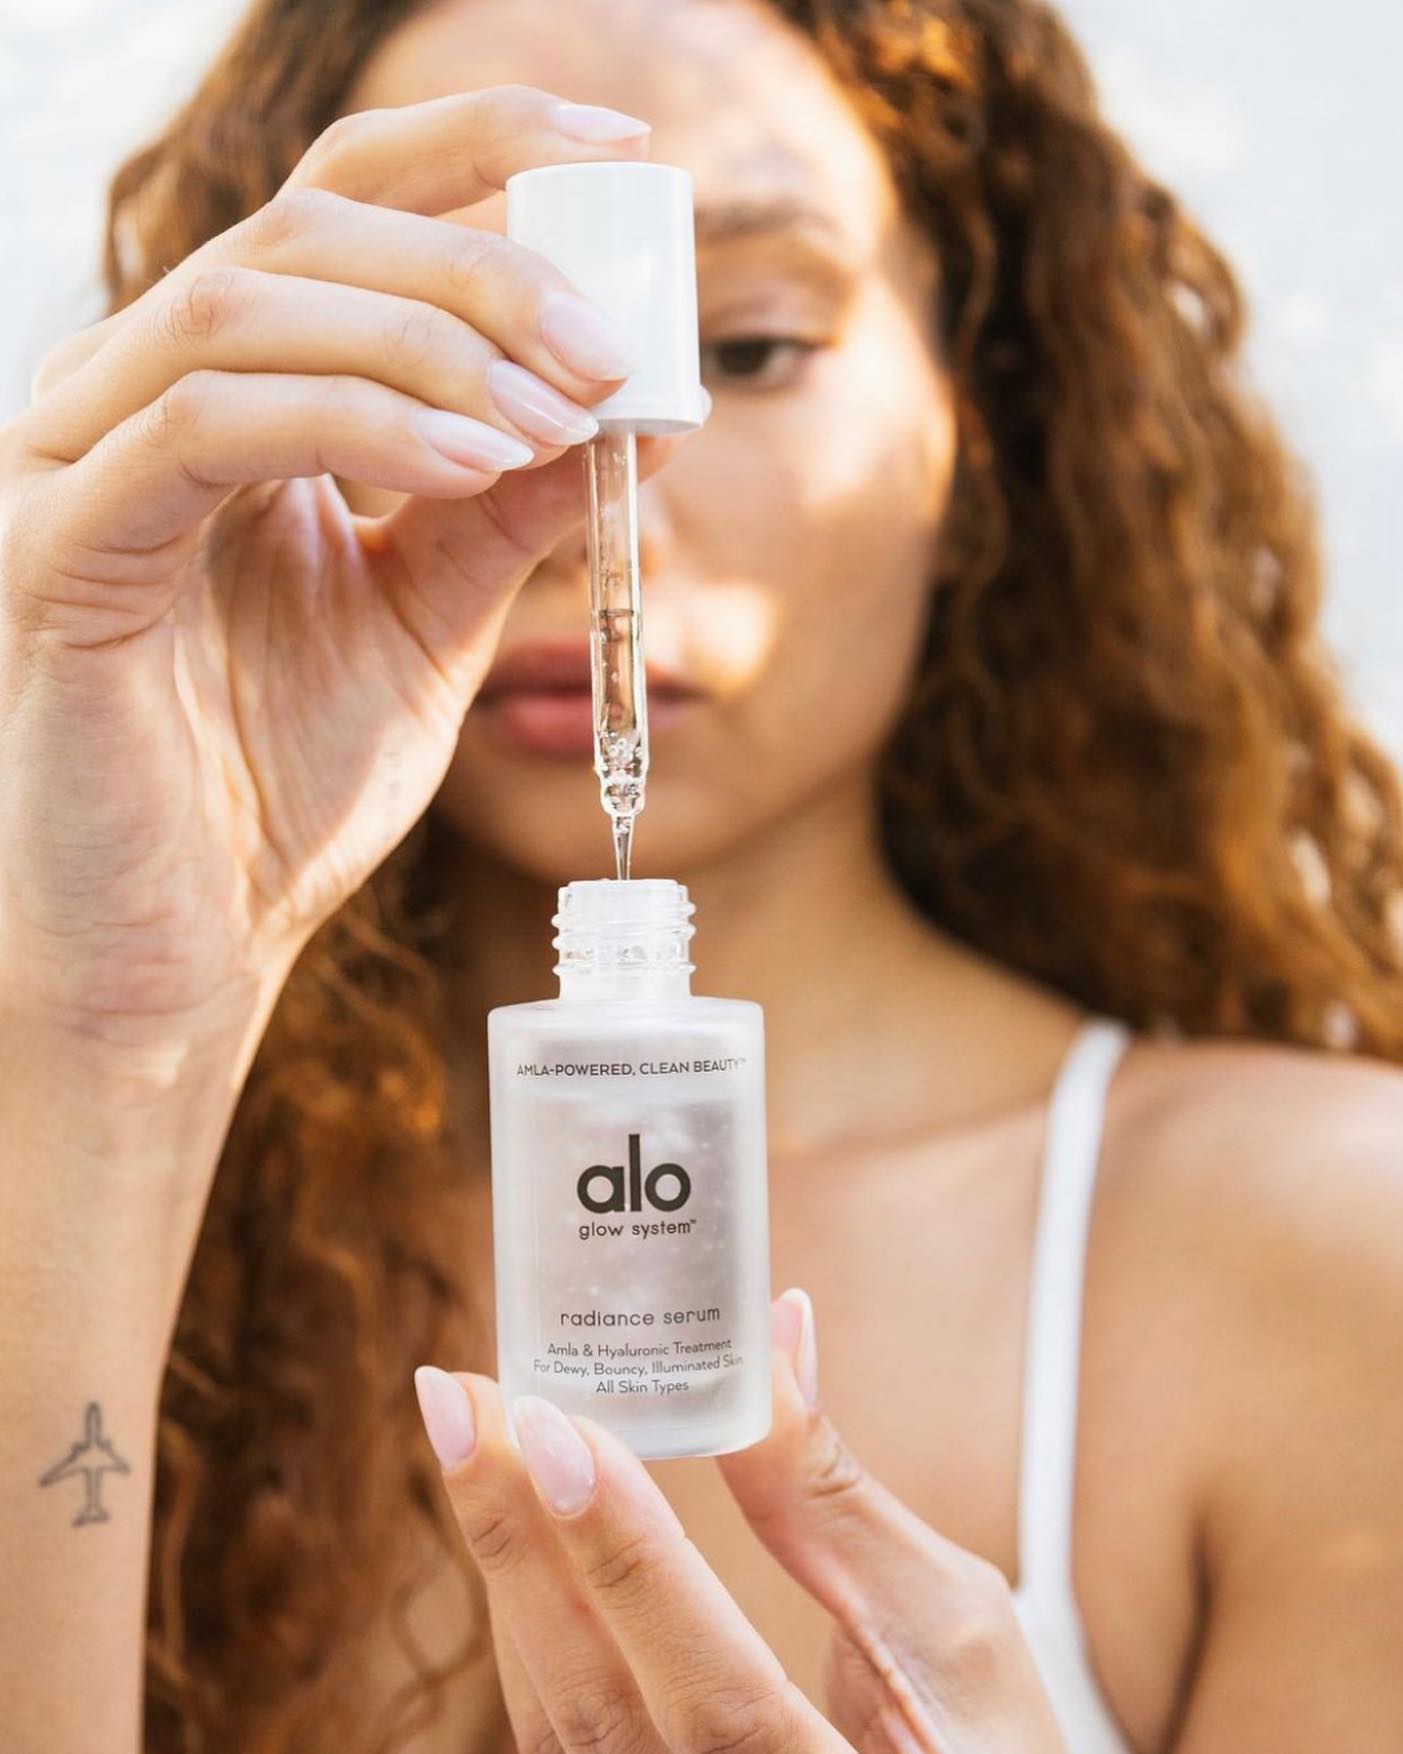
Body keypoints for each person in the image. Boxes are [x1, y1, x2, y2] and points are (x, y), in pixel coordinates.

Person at [2, 0, 1401, 1749]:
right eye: (428, 351)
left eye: (740, 350)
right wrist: (112, 1035)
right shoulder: (81, 1174)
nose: (605, 503)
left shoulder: (1329, 1253)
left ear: (985, 423)